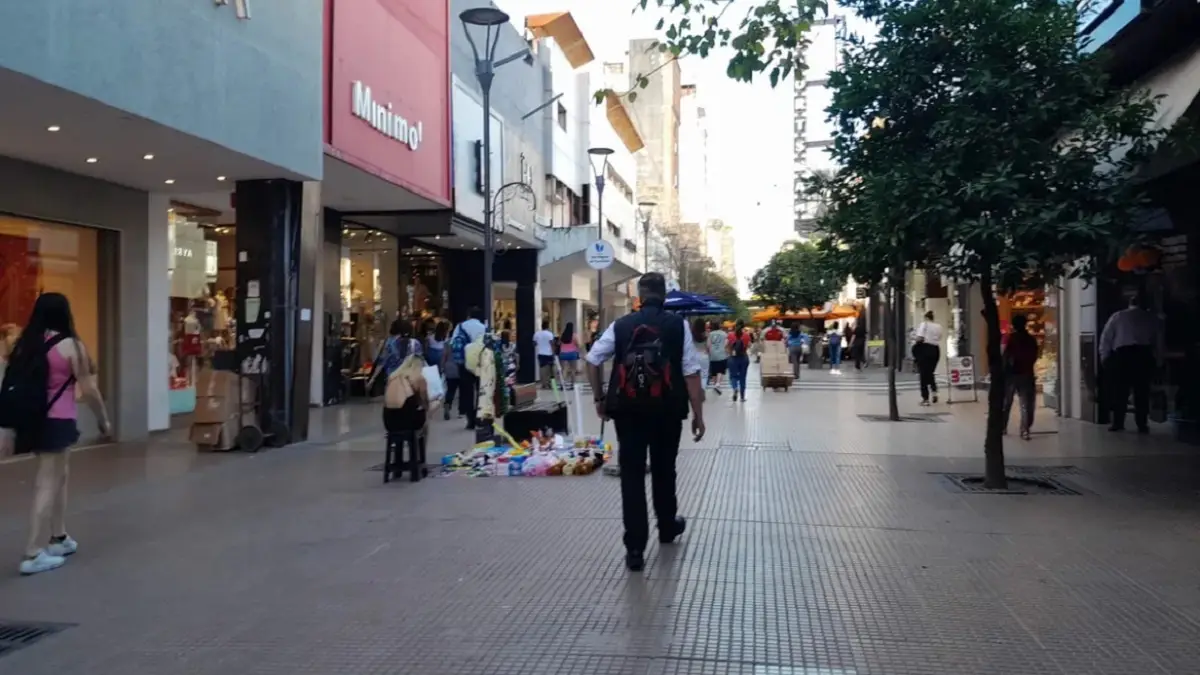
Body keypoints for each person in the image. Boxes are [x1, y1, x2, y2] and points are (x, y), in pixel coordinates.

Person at [585, 273, 705, 572]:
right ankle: (667, 526)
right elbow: (691, 371)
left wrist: (600, 399)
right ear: (664, 296)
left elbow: (593, 359)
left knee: (632, 475)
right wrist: (698, 414)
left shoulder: (621, 325)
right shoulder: (678, 325)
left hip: (628, 412)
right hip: (668, 410)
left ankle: (635, 548)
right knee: (664, 469)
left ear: (639, 296)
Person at [0, 293, 112, 576]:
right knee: (47, 483)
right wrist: (103, 420)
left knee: (60, 476)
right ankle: (32, 552)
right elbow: (89, 390)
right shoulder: (71, 346)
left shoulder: (27, 343)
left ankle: (59, 536)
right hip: (58, 419)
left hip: (35, 420)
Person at [1100, 293, 1160, 433]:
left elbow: (1106, 337)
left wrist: (1104, 356)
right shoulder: (1150, 318)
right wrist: (1158, 359)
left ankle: (1118, 422)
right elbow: (1157, 339)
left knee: (1120, 391)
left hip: (1123, 355)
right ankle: (1142, 424)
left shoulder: (1118, 316)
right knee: (1142, 392)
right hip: (1143, 355)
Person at [367, 318, 428, 433]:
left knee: (392, 405)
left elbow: (381, 363)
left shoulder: (389, 344)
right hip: (411, 382)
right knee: (415, 406)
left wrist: (372, 379)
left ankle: (394, 431)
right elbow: (420, 362)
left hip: (392, 382)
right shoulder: (415, 344)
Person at [449, 307, 487, 430]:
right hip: (480, 362)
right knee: (481, 390)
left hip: (464, 362)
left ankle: (470, 418)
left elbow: (452, 343)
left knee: (466, 390)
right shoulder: (484, 327)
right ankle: (479, 416)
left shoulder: (460, 326)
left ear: (468, 315)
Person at [1002, 314, 1040, 440]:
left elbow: (1005, 357)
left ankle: (1002, 427)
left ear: (1013, 325)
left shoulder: (1010, 339)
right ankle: (1025, 430)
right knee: (1026, 404)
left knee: (1006, 403)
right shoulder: (1031, 340)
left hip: (1011, 375)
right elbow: (1034, 355)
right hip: (1026, 374)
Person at [913, 311, 944, 406]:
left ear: (926, 318)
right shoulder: (939, 326)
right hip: (935, 350)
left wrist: (914, 339)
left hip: (925, 349)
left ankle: (925, 398)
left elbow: (920, 338)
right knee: (930, 373)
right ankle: (934, 392)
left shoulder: (924, 324)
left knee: (923, 374)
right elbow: (939, 338)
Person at [727, 320, 753, 401]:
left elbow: (726, 346)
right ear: (743, 326)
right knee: (743, 377)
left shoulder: (730, 335)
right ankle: (742, 397)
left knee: (733, 376)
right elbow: (749, 346)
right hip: (743, 358)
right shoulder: (746, 335)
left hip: (733, 359)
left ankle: (735, 388)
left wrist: (730, 352)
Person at [533, 321, 557, 389]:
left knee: (542, 369)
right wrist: (554, 353)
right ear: (548, 326)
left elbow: (534, 344)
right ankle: (550, 383)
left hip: (540, 353)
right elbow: (552, 344)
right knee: (550, 370)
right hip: (549, 354)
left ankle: (544, 384)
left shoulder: (537, 334)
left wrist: (540, 344)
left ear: (542, 326)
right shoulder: (549, 334)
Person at [707, 321, 729, 394]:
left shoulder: (710, 334)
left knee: (714, 371)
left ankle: (714, 384)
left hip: (713, 354)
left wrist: (710, 351)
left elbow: (708, 345)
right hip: (722, 354)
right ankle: (718, 383)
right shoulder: (724, 334)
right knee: (720, 370)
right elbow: (726, 343)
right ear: (719, 326)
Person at [557, 322, 580, 389]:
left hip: (563, 354)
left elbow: (558, 343)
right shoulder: (574, 335)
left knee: (564, 370)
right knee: (573, 370)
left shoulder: (562, 335)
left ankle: (562, 384)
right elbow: (578, 344)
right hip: (572, 354)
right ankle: (572, 385)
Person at [692, 319, 710, 389]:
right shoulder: (706, 334)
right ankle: (702, 390)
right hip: (704, 355)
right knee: (704, 376)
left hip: (694, 355)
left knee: (694, 375)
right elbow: (708, 346)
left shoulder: (692, 334)